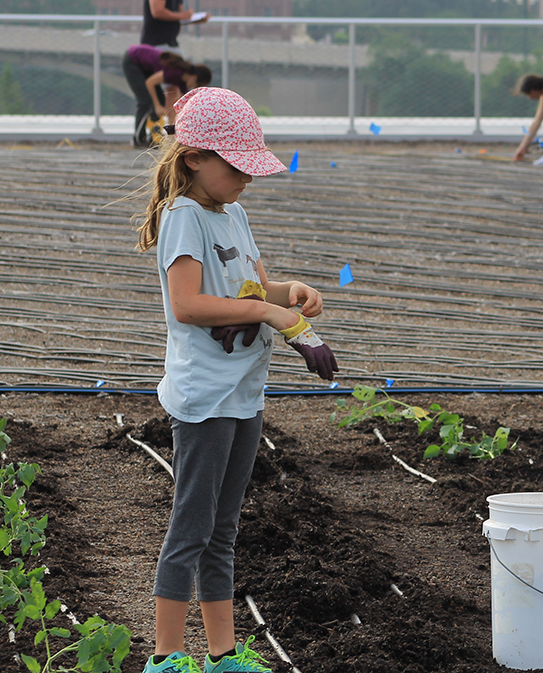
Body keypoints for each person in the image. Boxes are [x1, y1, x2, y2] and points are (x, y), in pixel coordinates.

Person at [134, 87, 339, 673]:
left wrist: (289, 292)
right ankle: (167, 658)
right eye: (238, 166)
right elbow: (189, 306)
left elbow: (249, 290)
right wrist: (268, 314)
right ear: (195, 157)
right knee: (190, 529)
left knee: (224, 530)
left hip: (245, 392)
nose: (248, 178)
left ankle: (222, 656)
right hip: (204, 397)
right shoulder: (182, 219)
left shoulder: (234, 215)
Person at [122, 44, 212, 148]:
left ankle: (153, 137)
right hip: (132, 59)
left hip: (144, 66)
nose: (193, 87)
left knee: (160, 100)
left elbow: (179, 102)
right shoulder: (175, 73)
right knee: (145, 101)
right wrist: (157, 106)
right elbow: (150, 83)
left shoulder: (182, 82)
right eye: (196, 85)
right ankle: (138, 139)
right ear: (194, 77)